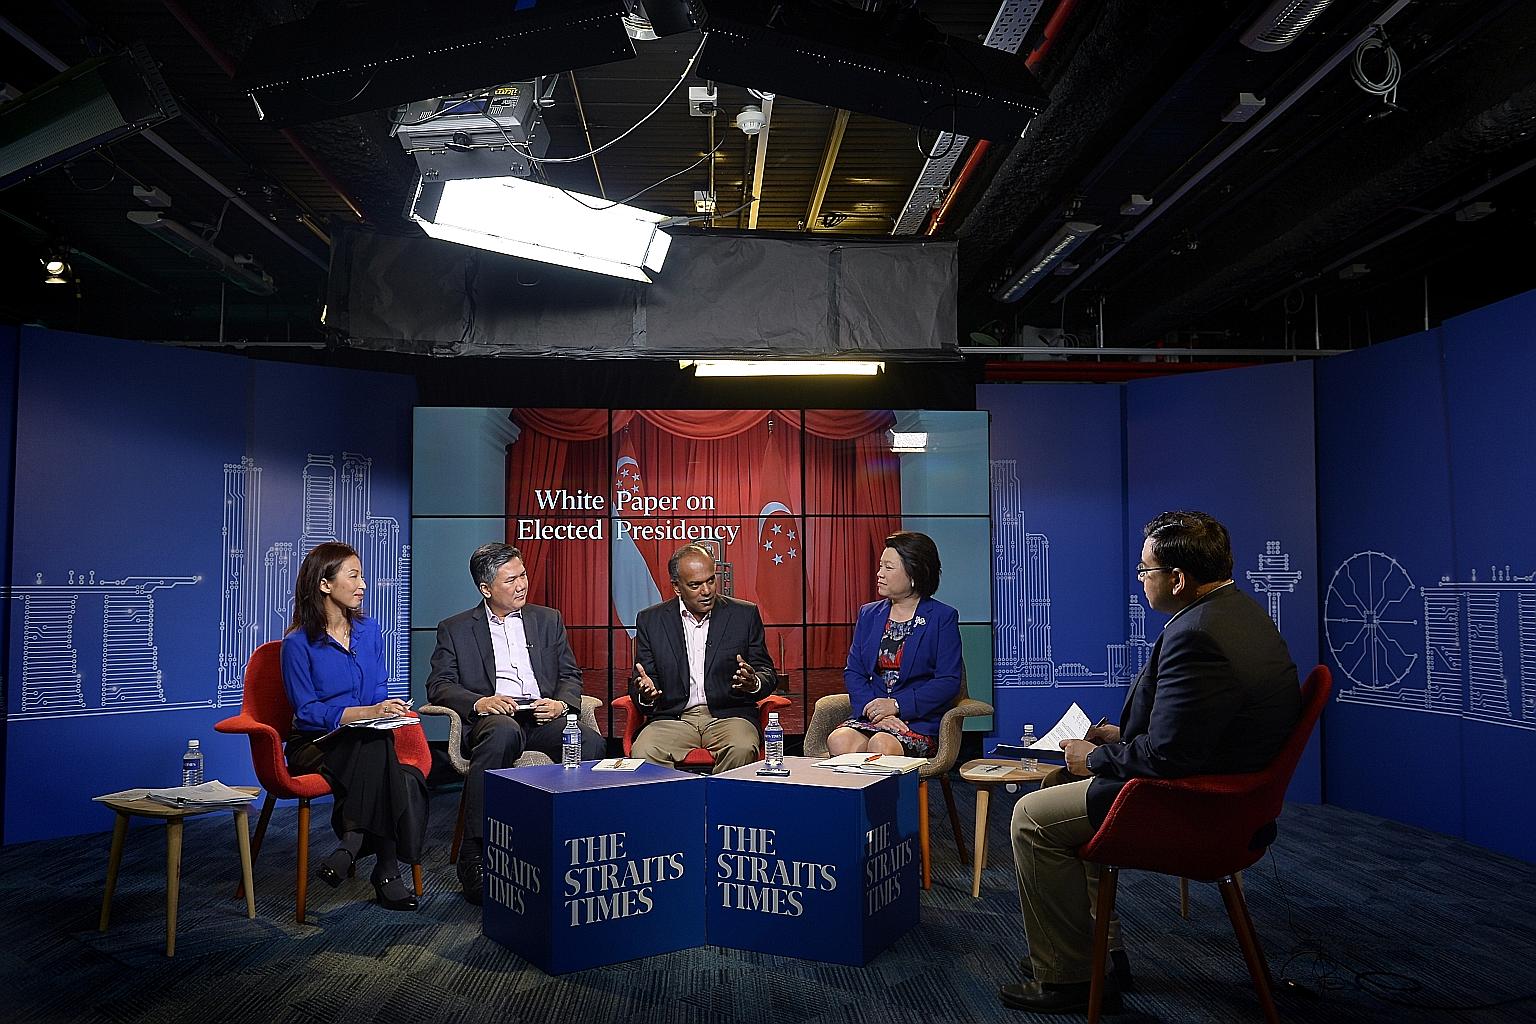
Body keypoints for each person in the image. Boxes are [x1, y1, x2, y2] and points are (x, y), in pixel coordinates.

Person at [1002, 511, 1301, 1014]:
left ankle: (1069, 976)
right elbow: (1199, 728)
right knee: (1066, 810)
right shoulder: (1238, 613)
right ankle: (1101, 955)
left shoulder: (1196, 635)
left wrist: (1096, 756)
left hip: (1193, 806)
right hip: (1224, 790)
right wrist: (1121, 738)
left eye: (1145, 572)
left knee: (1032, 818)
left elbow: (1168, 757)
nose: (1141, 582)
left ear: (1177, 579)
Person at [427, 542, 605, 904]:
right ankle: (474, 852)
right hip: (496, 718)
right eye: (511, 580)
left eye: (523, 574)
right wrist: (480, 702)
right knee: (502, 733)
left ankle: (582, 838)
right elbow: (439, 685)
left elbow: (571, 675)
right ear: (486, 589)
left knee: (590, 742)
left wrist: (560, 704)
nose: (522, 584)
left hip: (542, 716)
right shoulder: (456, 628)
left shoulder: (547, 619)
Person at [281, 541, 426, 912]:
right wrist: (362, 714)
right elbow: (306, 710)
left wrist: (385, 708)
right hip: (315, 743)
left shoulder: (370, 630)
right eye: (354, 576)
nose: (363, 584)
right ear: (325, 585)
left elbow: (378, 688)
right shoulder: (297, 644)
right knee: (382, 756)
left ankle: (353, 845)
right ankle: (382, 866)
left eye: (362, 576)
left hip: (363, 738)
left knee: (374, 745)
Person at [629, 542, 776, 772]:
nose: (706, 591)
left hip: (729, 717)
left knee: (742, 747)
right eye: (695, 585)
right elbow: (642, 679)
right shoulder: (651, 621)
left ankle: (723, 806)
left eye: (710, 580)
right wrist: (646, 692)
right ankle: (676, 807)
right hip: (673, 718)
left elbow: (767, 672)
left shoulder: (743, 615)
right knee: (644, 750)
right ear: (677, 587)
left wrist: (753, 682)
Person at [828, 531, 963, 759]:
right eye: (880, 566)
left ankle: (894, 796)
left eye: (888, 568)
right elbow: (854, 672)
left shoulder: (942, 617)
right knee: (839, 740)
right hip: (873, 717)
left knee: (882, 745)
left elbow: (948, 681)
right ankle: (854, 796)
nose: (879, 574)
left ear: (914, 573)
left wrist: (898, 705)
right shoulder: (869, 614)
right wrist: (876, 712)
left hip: (918, 721)